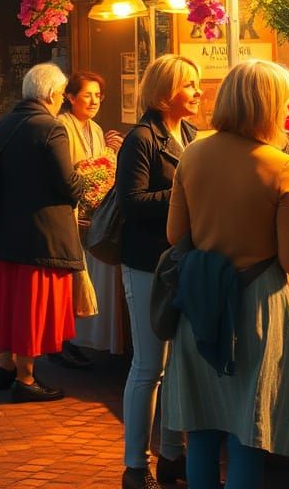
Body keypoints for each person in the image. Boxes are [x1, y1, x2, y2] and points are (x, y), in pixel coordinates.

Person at [160, 60, 289, 489]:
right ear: (268, 106)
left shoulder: (193, 152)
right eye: (285, 103)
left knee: (201, 432)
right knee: (247, 432)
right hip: (256, 309)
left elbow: (176, 234)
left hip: (200, 302)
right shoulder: (281, 166)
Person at [116, 55, 200, 488]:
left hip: (182, 262)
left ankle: (172, 455)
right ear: (166, 90)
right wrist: (182, 192)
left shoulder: (189, 133)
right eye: (190, 85)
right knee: (148, 367)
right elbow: (132, 204)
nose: (199, 93)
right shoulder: (141, 139)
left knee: (178, 367)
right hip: (148, 263)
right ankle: (135, 466)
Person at [0, 62, 84, 403]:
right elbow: (67, 183)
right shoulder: (51, 128)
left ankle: (6, 364)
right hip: (42, 232)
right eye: (60, 95)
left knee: (11, 301)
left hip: (9, 228)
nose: (61, 101)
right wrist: (86, 178)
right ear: (49, 94)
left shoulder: (7, 123)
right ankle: (26, 377)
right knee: (32, 306)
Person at [53, 71, 124, 369]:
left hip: (92, 215)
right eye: (87, 95)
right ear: (70, 97)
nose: (94, 101)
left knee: (86, 278)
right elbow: (64, 172)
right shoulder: (60, 126)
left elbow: (102, 172)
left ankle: (80, 338)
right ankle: (60, 341)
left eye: (98, 95)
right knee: (69, 278)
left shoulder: (95, 129)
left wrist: (113, 154)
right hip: (68, 212)